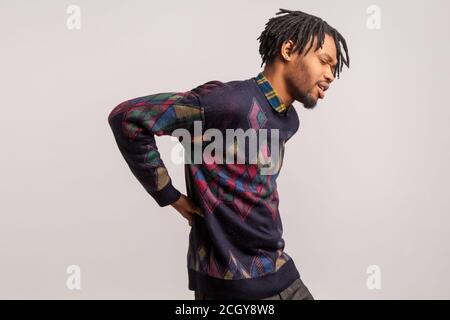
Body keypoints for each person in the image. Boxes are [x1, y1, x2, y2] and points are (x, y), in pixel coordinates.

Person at [107, 8, 349, 300]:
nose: (330, 75)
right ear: (288, 50)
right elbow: (128, 117)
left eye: (333, 68)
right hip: (231, 285)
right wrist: (169, 195)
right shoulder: (226, 102)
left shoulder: (288, 120)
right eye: (324, 61)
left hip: (279, 270)